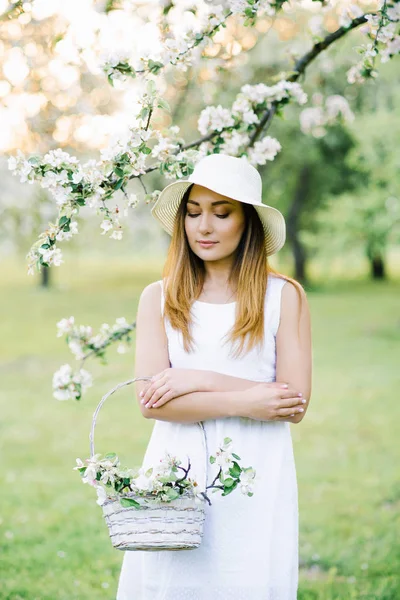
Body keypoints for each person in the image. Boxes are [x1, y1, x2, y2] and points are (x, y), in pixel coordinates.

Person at [116, 152, 312, 600]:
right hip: (178, 473)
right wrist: (246, 402)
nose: (204, 227)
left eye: (222, 214)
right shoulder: (159, 298)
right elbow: (151, 403)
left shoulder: (284, 297)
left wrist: (198, 378)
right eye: (193, 212)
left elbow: (293, 402)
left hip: (254, 473)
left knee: (244, 578)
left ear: (247, 224)